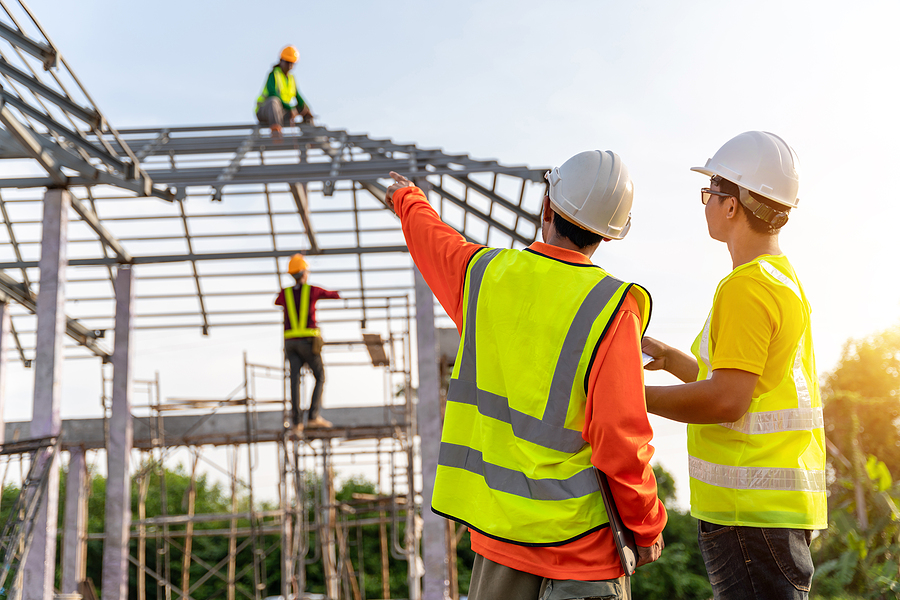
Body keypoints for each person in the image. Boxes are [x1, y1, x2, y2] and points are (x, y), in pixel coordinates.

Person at [383, 150, 666, 600]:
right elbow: (620, 436)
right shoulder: (614, 308)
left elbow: (432, 239)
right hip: (583, 554)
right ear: (610, 235)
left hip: (500, 547)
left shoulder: (484, 278)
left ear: (547, 208)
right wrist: (646, 524)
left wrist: (406, 197)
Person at [642, 131, 826, 599]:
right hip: (771, 516)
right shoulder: (780, 278)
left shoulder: (745, 288)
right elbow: (746, 383)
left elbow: (727, 399)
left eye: (710, 192)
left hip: (750, 516)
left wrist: (629, 395)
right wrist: (675, 362)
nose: (705, 202)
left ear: (732, 206)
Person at [275, 253, 340, 431]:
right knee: (320, 377)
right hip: (307, 342)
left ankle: (297, 422)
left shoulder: (285, 293)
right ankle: (312, 416)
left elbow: (277, 301)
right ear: (304, 273)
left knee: (294, 380)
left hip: (290, 343)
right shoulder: (312, 290)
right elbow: (333, 295)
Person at [255, 45, 314, 141]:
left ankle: (311, 135)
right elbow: (272, 93)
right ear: (281, 60)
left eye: (292, 63)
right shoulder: (274, 74)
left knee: (303, 108)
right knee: (273, 101)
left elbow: (298, 96)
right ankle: (276, 130)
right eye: (287, 62)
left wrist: (307, 110)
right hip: (265, 111)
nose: (290, 65)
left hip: (281, 112)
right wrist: (289, 108)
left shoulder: (291, 78)